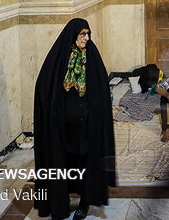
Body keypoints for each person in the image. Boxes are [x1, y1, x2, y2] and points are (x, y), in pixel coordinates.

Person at [33, 18, 116, 220]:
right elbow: (43, 86)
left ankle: (85, 203)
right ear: (73, 35)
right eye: (82, 34)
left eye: (88, 34)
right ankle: (60, 202)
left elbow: (102, 91)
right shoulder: (60, 57)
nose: (86, 38)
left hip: (87, 127)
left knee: (86, 163)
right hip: (62, 128)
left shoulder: (92, 58)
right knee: (63, 163)